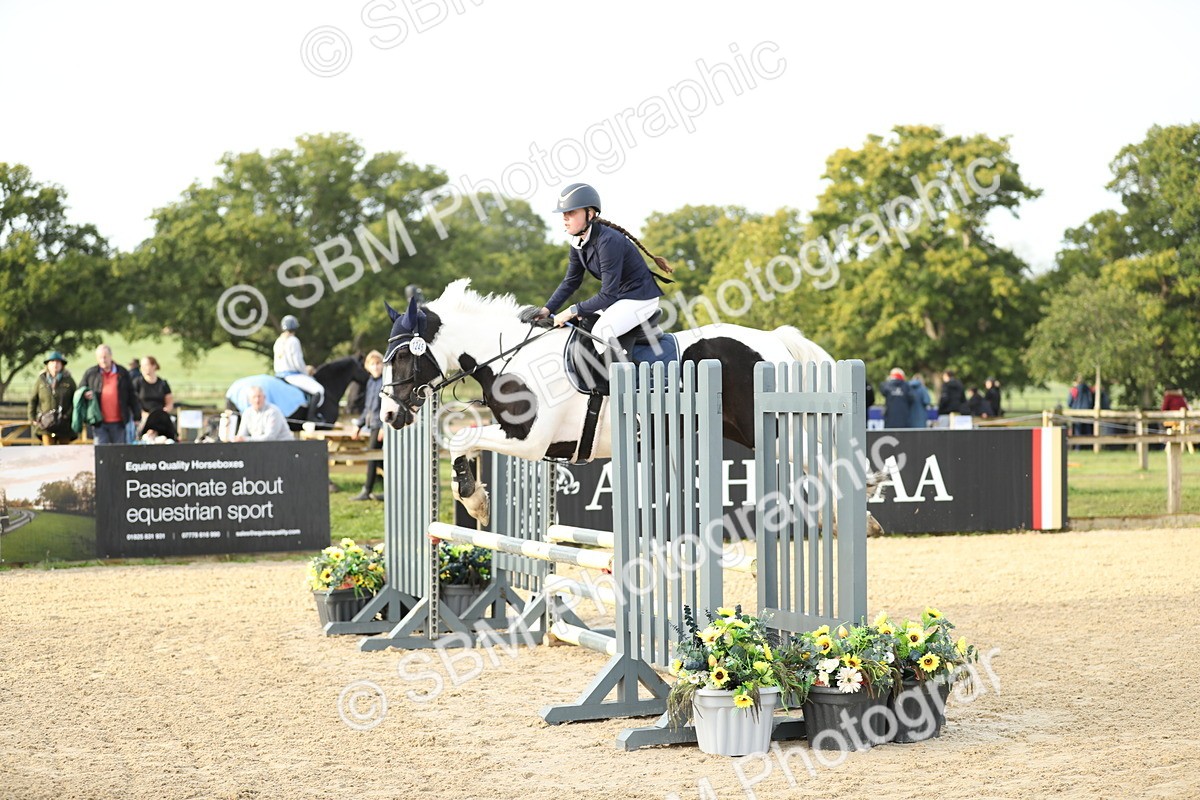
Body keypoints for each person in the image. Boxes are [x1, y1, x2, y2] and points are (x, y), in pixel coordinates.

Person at [530, 183, 673, 352]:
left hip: (639, 298)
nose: (565, 218)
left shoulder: (608, 241)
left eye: (571, 212)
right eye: (563, 213)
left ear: (590, 214)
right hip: (619, 298)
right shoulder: (578, 242)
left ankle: (622, 369)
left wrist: (572, 310)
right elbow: (571, 281)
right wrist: (547, 310)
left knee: (601, 332)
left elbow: (607, 294)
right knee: (585, 324)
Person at [81, 344, 139, 444]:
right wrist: (85, 394)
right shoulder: (91, 373)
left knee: (119, 451)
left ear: (111, 356)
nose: (103, 360)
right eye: (100, 357)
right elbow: (81, 389)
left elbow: (131, 395)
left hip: (119, 422)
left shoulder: (122, 372)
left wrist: (137, 416)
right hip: (99, 422)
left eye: (105, 357)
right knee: (101, 451)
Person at [349, 351, 386, 501]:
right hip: (373, 425)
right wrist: (359, 425)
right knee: (380, 460)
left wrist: (384, 427)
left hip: (381, 425)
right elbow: (368, 408)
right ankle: (393, 487)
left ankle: (367, 490)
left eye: (378, 363)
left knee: (372, 456)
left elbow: (388, 406)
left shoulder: (385, 381)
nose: (376, 367)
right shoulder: (370, 382)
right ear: (368, 367)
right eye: (372, 364)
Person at [274, 315, 325, 421]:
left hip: (278, 374)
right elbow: (297, 362)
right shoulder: (293, 341)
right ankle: (311, 417)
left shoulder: (278, 341)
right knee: (319, 390)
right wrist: (306, 371)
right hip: (292, 375)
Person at [28, 350, 77, 445]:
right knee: (48, 451)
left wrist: (68, 416)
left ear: (62, 365)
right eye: (52, 362)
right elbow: (33, 400)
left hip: (64, 425)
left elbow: (75, 401)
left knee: (64, 452)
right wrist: (32, 418)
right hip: (46, 425)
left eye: (58, 362)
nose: (55, 364)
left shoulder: (69, 380)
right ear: (47, 365)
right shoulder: (41, 380)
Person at [132, 355, 177, 439]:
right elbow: (134, 402)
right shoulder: (137, 383)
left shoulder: (163, 384)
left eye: (146, 365)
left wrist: (165, 411)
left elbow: (169, 402)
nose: (143, 368)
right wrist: (142, 414)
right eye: (141, 366)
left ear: (154, 366)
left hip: (160, 417)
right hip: (144, 418)